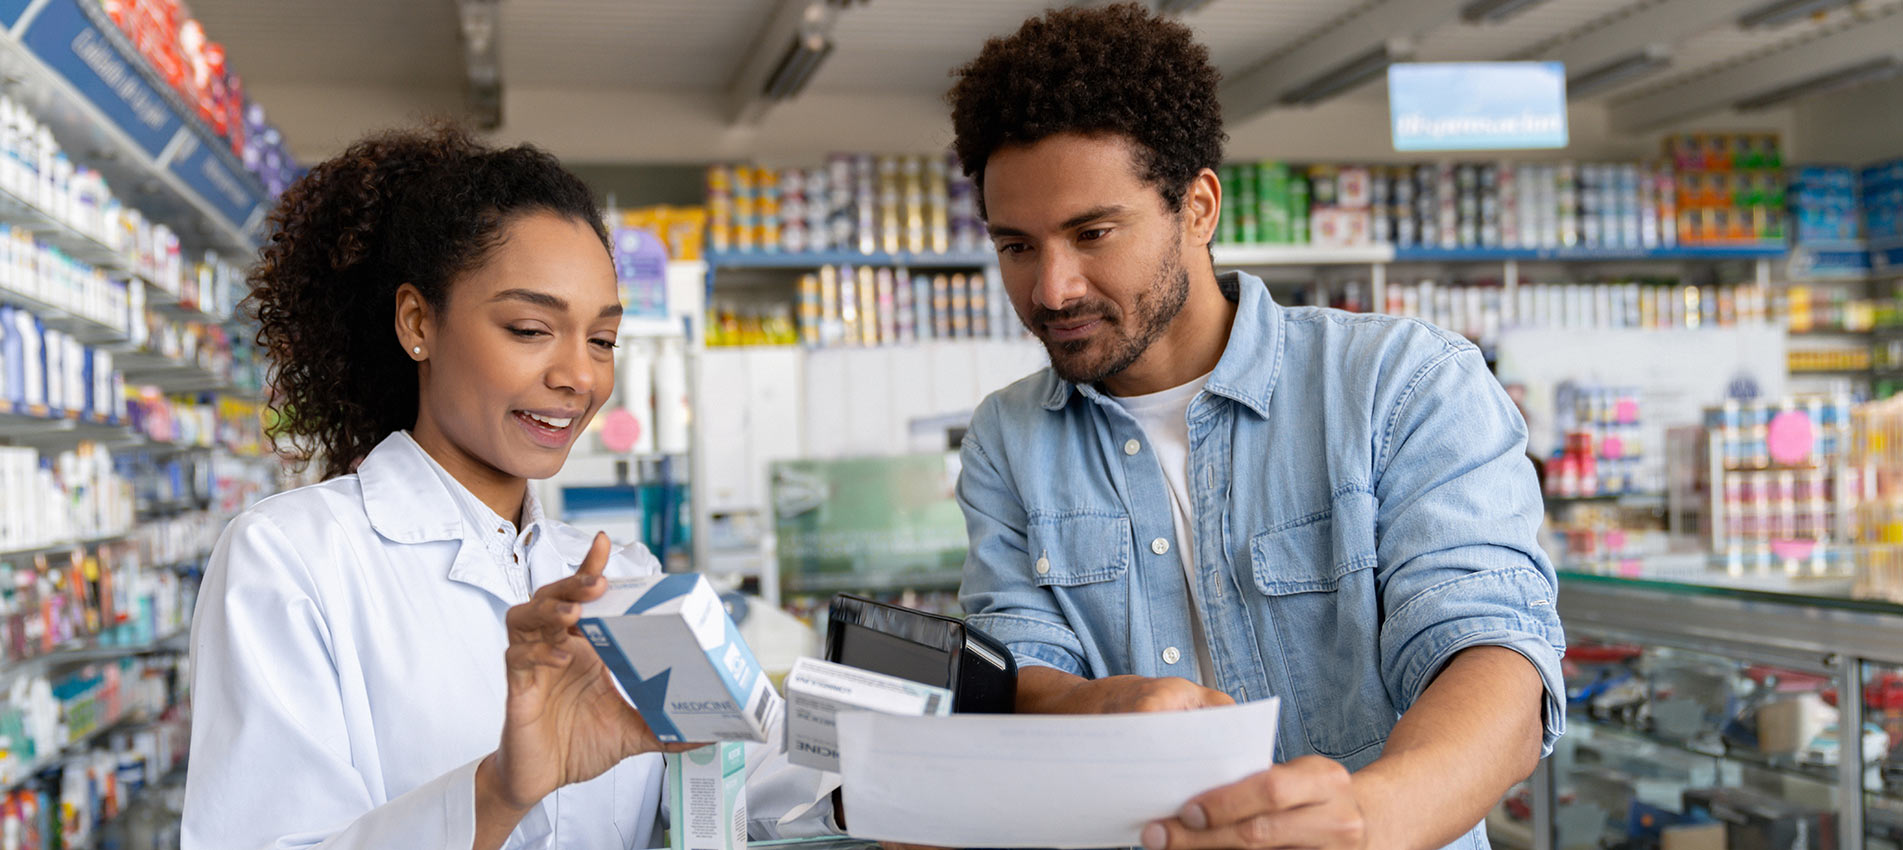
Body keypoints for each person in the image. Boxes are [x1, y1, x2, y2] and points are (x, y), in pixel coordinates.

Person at [948, 6, 1564, 850]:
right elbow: (1019, 659)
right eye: (1016, 246)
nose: (1052, 289)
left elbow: (1492, 659)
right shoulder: (1007, 438)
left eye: (1092, 233)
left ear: (1197, 208)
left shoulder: (1402, 383)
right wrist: (1101, 705)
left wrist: (1363, 819)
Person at [181, 125, 833, 849]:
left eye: (602, 339)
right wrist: (499, 791)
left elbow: (764, 790)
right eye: (530, 328)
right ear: (417, 321)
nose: (579, 377)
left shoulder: (623, 580)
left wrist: (881, 775)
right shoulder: (292, 561)